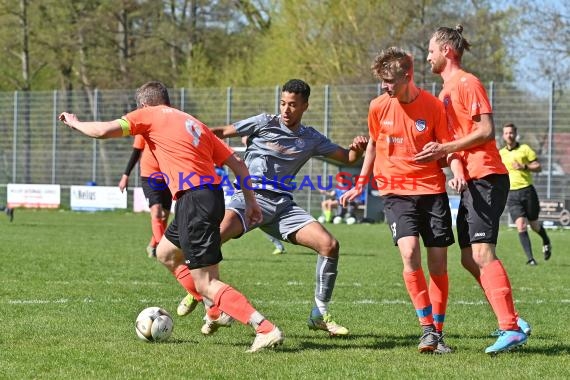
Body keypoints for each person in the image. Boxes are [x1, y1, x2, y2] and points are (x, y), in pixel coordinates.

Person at [59, 80, 284, 353]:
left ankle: (265, 328)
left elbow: (103, 131)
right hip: (209, 197)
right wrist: (251, 202)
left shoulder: (148, 115)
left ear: (143, 104)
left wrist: (75, 122)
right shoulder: (193, 122)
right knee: (165, 252)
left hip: (193, 200)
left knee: (208, 282)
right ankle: (214, 311)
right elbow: (237, 163)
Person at [173, 79, 368, 337]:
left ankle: (319, 313)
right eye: (283, 103)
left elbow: (348, 158)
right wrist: (191, 132)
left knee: (329, 245)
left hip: (282, 207)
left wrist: (359, 149)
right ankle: (202, 297)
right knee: (210, 241)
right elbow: (222, 131)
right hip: (248, 197)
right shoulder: (264, 122)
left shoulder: (311, 138)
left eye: (293, 105)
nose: (286, 110)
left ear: (305, 106)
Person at [340, 47, 466, 354]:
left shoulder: (434, 107)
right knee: (410, 253)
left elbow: (447, 149)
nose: (385, 87)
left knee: (438, 263)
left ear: (407, 77)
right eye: (382, 81)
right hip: (395, 192)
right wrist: (360, 184)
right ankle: (426, 328)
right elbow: (371, 146)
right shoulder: (378, 106)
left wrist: (455, 171)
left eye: (390, 81)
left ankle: (437, 332)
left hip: (432, 192)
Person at [415, 25, 530, 354]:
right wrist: (443, 162)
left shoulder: (468, 82)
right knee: (468, 258)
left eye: (431, 50)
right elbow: (451, 147)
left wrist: (448, 149)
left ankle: (509, 326)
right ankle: (512, 319)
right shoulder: (443, 93)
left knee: (481, 253)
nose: (428, 56)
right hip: (472, 180)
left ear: (447, 52)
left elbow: (486, 130)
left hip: (488, 177)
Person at [500, 123, 552, 265]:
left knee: (534, 225)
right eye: (506, 133)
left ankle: (546, 240)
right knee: (521, 225)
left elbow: (538, 167)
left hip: (527, 191)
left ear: (515, 133)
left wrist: (525, 166)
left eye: (511, 132)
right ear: (503, 135)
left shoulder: (525, 149)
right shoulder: (501, 154)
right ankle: (531, 259)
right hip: (511, 194)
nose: (509, 135)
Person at [118, 135, 172, 258]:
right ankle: (162, 248)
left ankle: (152, 246)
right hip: (149, 176)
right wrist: (125, 176)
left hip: (167, 177)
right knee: (157, 211)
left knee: (164, 216)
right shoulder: (143, 130)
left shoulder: (168, 128)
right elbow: (136, 153)